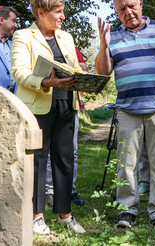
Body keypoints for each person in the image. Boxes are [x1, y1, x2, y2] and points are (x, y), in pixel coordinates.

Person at [95, 0, 155, 235]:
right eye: (122, 9)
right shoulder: (112, 36)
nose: (128, 12)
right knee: (126, 164)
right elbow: (103, 72)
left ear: (141, 4)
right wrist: (104, 47)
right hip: (127, 109)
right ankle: (127, 209)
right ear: (117, 12)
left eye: (132, 6)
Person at [11, 0, 86, 235]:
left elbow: (75, 68)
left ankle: (65, 215)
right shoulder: (23, 36)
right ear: (41, 13)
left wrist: (87, 81)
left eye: (63, 11)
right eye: (58, 12)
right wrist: (44, 83)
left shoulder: (66, 37)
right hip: (38, 106)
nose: (63, 16)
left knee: (65, 159)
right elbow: (20, 73)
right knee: (38, 160)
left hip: (66, 103)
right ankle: (36, 216)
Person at [45, 48, 87, 207]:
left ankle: (70, 190)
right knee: (49, 152)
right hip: (47, 103)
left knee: (72, 151)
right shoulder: (41, 45)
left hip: (70, 104)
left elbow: (83, 69)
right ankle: (49, 191)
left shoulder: (72, 48)